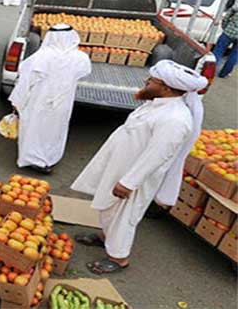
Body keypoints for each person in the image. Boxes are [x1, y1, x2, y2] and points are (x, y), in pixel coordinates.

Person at [71, 60, 207, 274]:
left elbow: (157, 155)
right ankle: (105, 237)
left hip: (135, 177)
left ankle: (118, 258)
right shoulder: (158, 103)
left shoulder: (176, 119)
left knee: (125, 216)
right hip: (122, 167)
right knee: (110, 208)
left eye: (151, 80)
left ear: (165, 87)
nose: (146, 82)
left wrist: (129, 182)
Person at [8, 25, 91, 173]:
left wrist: (17, 101)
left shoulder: (41, 57)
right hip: (62, 102)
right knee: (54, 129)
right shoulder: (81, 58)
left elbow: (26, 81)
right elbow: (83, 73)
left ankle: (32, 158)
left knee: (34, 127)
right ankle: (48, 158)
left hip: (38, 100)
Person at [213, 6, 238, 78]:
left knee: (218, 51)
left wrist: (225, 27)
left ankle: (211, 70)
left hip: (228, 32)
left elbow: (227, 16)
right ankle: (224, 74)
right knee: (235, 56)